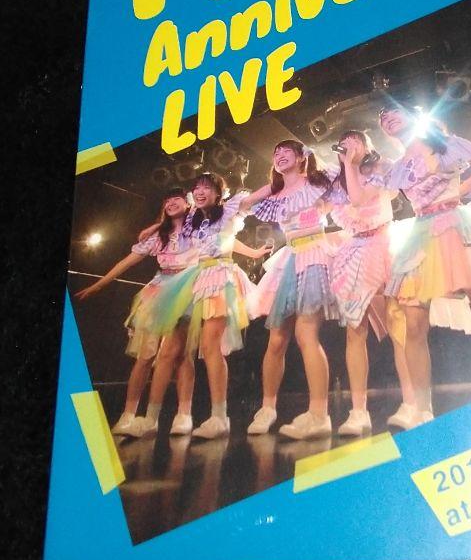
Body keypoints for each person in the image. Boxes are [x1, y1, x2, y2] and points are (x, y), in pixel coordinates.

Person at [377, 107, 471, 426]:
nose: (387, 117)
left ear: (412, 115)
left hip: (453, 226)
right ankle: (422, 410)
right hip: (420, 234)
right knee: (414, 324)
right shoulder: (397, 168)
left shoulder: (448, 143)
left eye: (393, 112)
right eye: (382, 118)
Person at [141, 173, 270, 439]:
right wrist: (153, 228)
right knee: (170, 349)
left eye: (207, 188)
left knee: (211, 346)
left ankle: (219, 418)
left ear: (218, 193)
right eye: (196, 188)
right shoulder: (193, 218)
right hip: (194, 279)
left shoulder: (231, 210)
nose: (200, 192)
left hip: (220, 277)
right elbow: (171, 217)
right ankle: (150, 419)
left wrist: (283, 178)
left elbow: (256, 198)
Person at [73, 189, 197, 437]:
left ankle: (184, 414)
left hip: (187, 290)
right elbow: (126, 262)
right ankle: (128, 415)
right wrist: (99, 285)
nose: (171, 203)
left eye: (176, 199)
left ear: (188, 203)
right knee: (145, 355)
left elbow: (212, 214)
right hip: (158, 290)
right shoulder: (158, 237)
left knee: (182, 355)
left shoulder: (198, 229)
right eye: (167, 200)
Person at [244, 141, 340, 440]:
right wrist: (273, 183)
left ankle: (319, 414)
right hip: (290, 257)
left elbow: (341, 171)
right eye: (276, 153)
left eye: (287, 151)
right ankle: (267, 409)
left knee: (306, 333)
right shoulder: (275, 195)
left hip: (315, 252)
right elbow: (244, 204)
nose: (279, 155)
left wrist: (311, 162)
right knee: (276, 339)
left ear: (301, 157)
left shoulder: (316, 182)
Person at [326, 131, 416, 436]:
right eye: (345, 143)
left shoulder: (380, 168)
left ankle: (412, 402)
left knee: (398, 322)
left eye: (356, 141)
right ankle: (358, 411)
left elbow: (360, 198)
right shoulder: (336, 182)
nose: (349, 146)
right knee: (355, 329)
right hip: (355, 249)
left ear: (367, 145)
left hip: (385, 243)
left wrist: (351, 165)